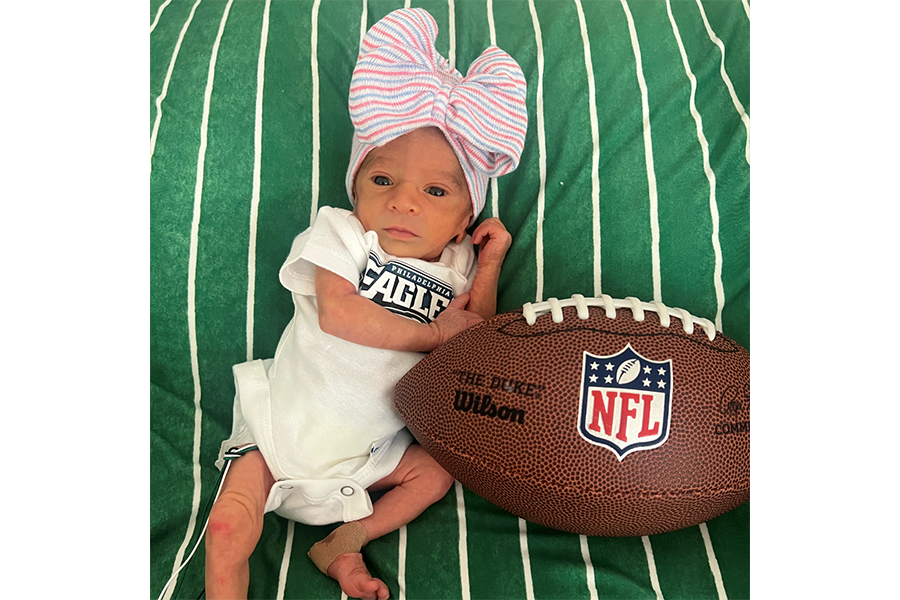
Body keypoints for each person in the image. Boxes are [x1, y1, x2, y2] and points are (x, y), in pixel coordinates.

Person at [204, 8, 527, 600]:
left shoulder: (455, 266)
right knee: (227, 527)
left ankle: (345, 542)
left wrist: (489, 264)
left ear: (464, 220)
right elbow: (340, 314)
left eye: (435, 191)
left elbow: (474, 339)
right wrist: (432, 336)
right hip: (280, 435)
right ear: (355, 190)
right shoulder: (343, 236)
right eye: (383, 181)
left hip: (377, 457)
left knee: (436, 473)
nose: (404, 203)